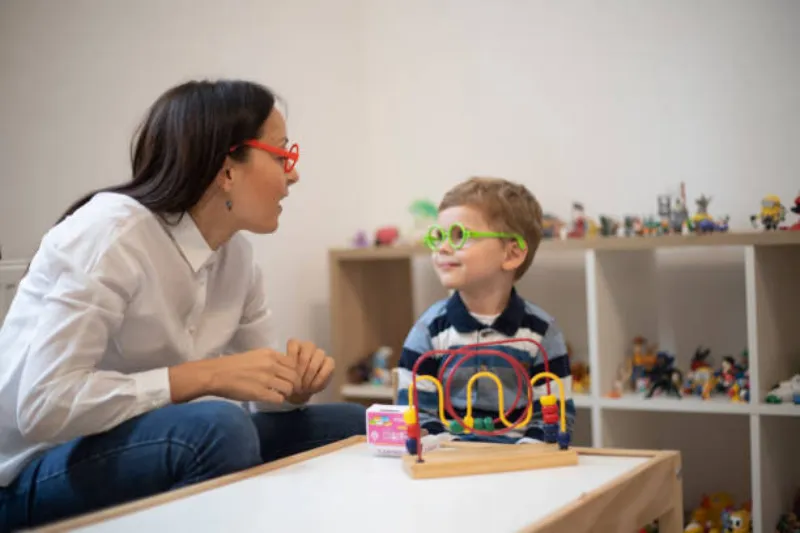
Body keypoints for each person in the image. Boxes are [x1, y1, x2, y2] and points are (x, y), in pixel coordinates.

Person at [0, 79, 365, 530]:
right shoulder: (110, 234)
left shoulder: (237, 258)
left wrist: (292, 386)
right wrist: (202, 377)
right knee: (218, 428)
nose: (293, 174)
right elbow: (43, 407)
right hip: (29, 472)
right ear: (226, 168)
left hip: (154, 441)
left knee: (355, 425)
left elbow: (261, 402)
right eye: (281, 155)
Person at [395, 177, 575, 445]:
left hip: (521, 469)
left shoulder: (541, 332)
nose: (442, 248)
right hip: (447, 465)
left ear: (511, 254)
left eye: (459, 236)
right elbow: (415, 412)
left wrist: (530, 454)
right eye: (439, 236)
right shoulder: (429, 330)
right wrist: (447, 448)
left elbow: (555, 414)